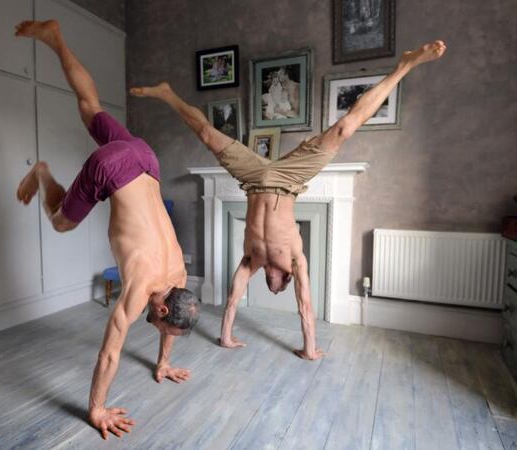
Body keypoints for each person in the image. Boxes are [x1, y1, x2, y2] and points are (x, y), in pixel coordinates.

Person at [131, 40, 446, 361]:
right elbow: (305, 304)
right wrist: (309, 348)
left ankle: (404, 67)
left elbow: (233, 296)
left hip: (253, 180)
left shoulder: (251, 260)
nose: (272, 287)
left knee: (212, 135)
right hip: (290, 180)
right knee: (344, 128)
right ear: (286, 278)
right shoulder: (296, 261)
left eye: (272, 288)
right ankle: (169, 93)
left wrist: (226, 336)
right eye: (277, 286)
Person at [13, 19, 200, 440]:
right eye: (161, 327)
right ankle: (43, 173)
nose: (158, 331)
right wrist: (96, 408)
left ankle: (56, 37)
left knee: (89, 107)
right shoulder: (143, 290)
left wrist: (164, 363)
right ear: (163, 308)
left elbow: (175, 319)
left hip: (144, 158)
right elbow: (109, 354)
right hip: (112, 168)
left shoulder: (180, 278)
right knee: (61, 222)